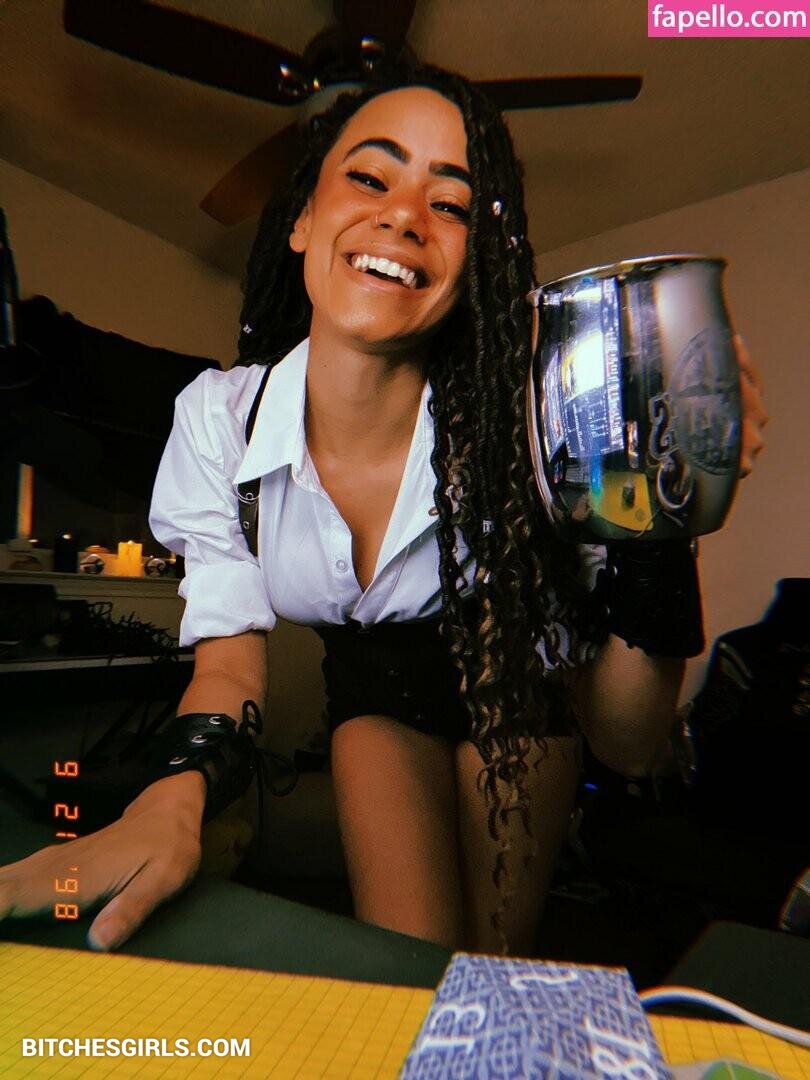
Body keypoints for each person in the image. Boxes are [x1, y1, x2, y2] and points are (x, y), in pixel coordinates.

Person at [0, 66, 766, 957]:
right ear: (302, 220)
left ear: (473, 265)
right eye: (370, 176)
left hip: (516, 692)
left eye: (451, 204)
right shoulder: (219, 424)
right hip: (376, 693)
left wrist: (668, 517)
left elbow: (629, 742)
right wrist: (171, 801)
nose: (403, 216)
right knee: (405, 965)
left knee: (488, 966)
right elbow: (229, 668)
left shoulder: (540, 424)